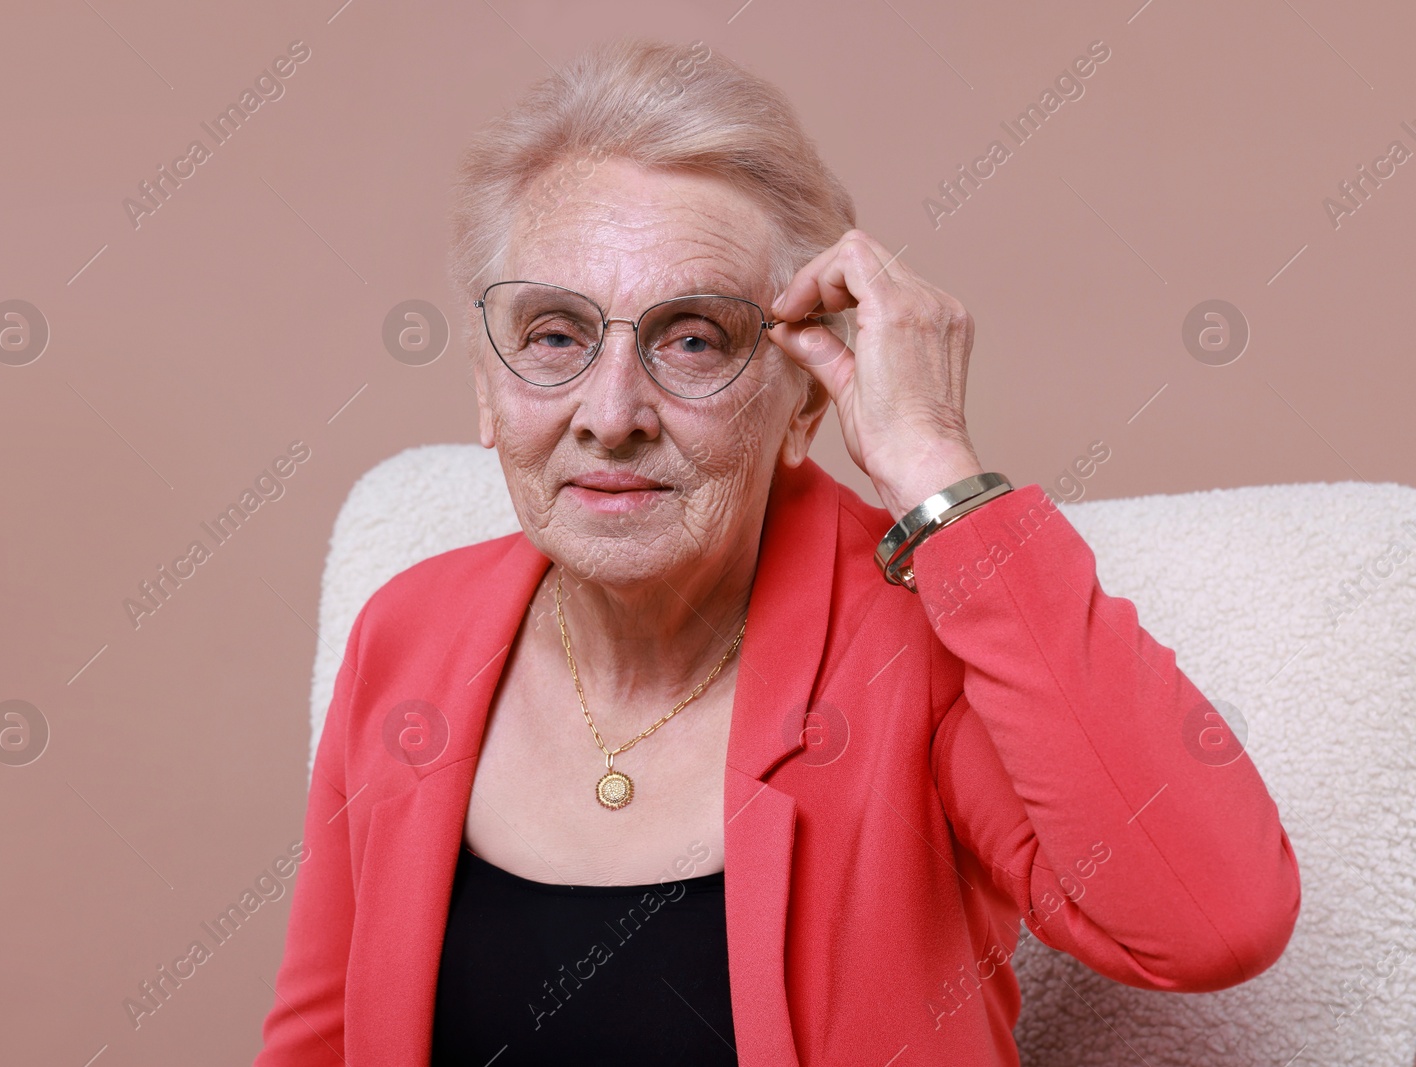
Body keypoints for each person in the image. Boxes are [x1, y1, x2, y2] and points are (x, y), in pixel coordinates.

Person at [253, 37, 1299, 1067]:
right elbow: (317, 1040)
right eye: (557, 335)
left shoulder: (916, 645)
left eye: (694, 336)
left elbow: (1212, 919)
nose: (610, 413)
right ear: (487, 388)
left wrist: (936, 467)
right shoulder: (408, 637)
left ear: (800, 398)